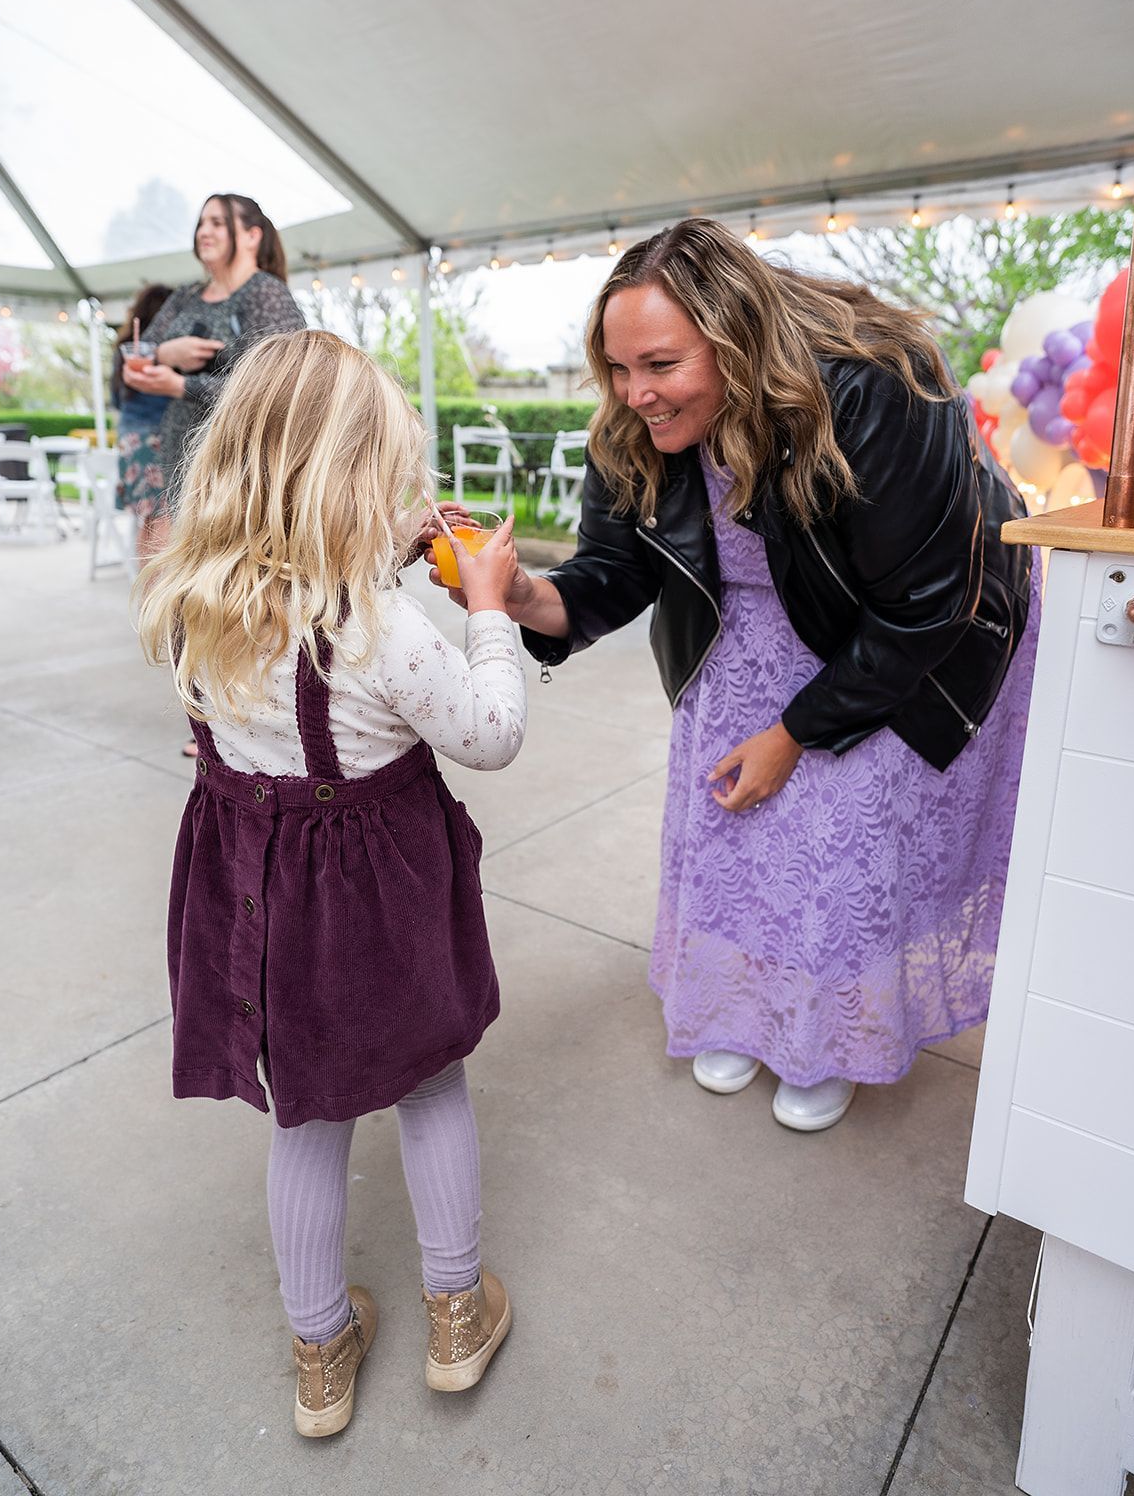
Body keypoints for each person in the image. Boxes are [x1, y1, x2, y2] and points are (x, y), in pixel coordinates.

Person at [437, 217, 1039, 1133]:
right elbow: (616, 572)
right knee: (734, 839)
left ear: (736, 344)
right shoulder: (635, 426)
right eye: (618, 368)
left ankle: (823, 1036)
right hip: (747, 629)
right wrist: (518, 593)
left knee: (845, 844)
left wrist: (795, 734)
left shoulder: (875, 391)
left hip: (907, 631)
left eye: (662, 366)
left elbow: (921, 604)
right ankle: (739, 1010)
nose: (635, 393)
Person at [136, 330, 525, 1438]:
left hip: (263, 903)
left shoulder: (190, 601)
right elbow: (488, 732)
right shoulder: (385, 627)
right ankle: (456, 1317)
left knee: (304, 1115)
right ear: (352, 480)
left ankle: (320, 1352)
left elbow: (295, 630)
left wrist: (384, 553)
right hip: (381, 902)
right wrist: (487, 607)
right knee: (430, 1085)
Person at [126, 192, 304, 754]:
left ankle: (246, 713)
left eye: (217, 222)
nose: (204, 230)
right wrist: (165, 352)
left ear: (251, 235)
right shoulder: (183, 295)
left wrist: (184, 382)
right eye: (200, 221)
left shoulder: (266, 295)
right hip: (181, 453)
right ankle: (204, 714)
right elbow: (135, 356)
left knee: (235, 587)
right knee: (174, 587)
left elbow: (280, 379)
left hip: (242, 462)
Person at [112, 282, 173, 565]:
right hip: (155, 440)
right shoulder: (163, 354)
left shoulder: (123, 350)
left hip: (129, 441)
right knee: (161, 519)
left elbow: (116, 399)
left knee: (148, 520)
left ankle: (149, 598)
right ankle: (155, 598)